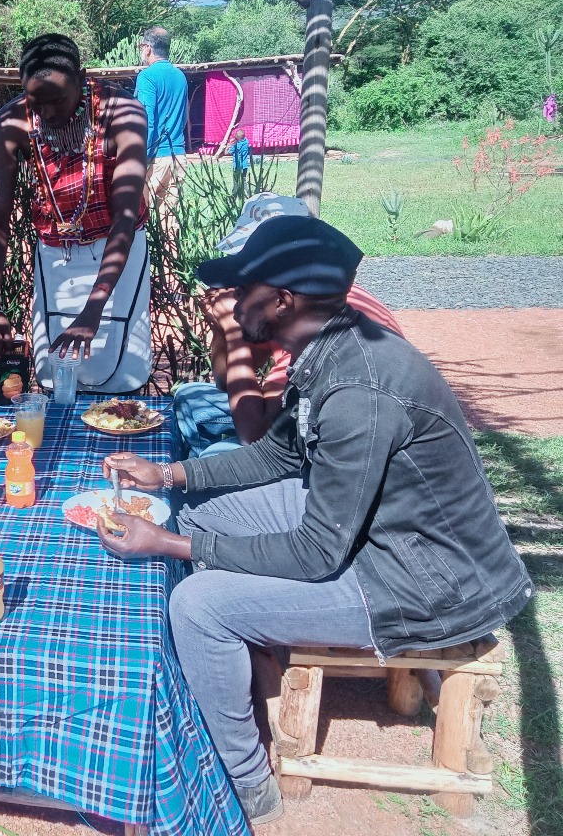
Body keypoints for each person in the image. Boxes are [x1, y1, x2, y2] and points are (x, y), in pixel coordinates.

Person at [96, 215, 534, 824]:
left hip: (422, 582)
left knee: (198, 603)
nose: (230, 301)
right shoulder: (327, 348)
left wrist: (172, 545)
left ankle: (246, 781)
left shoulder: (360, 390)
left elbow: (315, 553)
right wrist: (169, 476)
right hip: (380, 534)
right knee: (197, 509)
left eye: (242, 288)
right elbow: (277, 456)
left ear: (282, 301)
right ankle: (222, 667)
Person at [0, 33, 153, 394]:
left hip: (118, 247)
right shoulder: (12, 121)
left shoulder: (123, 112)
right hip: (55, 251)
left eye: (57, 100)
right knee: (54, 372)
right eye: (36, 102)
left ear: (82, 78)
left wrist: (93, 308)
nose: (46, 113)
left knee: (119, 368)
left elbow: (124, 217)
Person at [173, 194, 404, 459]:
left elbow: (255, 435)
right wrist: (222, 324)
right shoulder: (280, 303)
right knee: (190, 397)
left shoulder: (310, 320)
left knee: (218, 455)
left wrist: (233, 330)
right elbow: (227, 380)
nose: (236, 282)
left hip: (330, 444)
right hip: (304, 418)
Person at [134, 27, 188, 235]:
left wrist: (139, 158)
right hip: (178, 156)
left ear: (147, 48)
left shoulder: (147, 77)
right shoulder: (180, 76)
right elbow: (184, 116)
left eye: (141, 47)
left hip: (154, 158)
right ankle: (171, 258)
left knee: (138, 221)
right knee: (170, 224)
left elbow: (145, 121)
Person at [229, 127, 251, 202]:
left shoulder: (236, 146)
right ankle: (248, 194)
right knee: (244, 181)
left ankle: (233, 197)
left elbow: (227, 152)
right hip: (244, 166)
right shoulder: (246, 141)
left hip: (237, 166)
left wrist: (229, 145)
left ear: (238, 137)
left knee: (235, 182)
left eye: (236, 136)